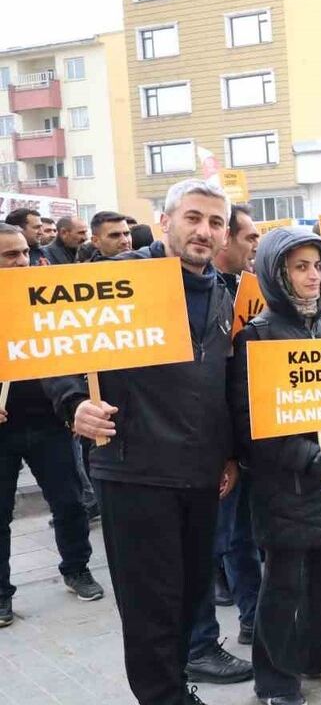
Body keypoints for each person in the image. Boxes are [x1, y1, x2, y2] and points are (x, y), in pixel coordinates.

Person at [43, 179, 239, 705]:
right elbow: (53, 347)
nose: (204, 231)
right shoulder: (118, 277)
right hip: (134, 470)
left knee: (191, 597)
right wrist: (72, 403)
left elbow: (217, 382)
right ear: (164, 220)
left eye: (215, 222)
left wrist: (227, 454)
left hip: (200, 473)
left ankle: (175, 687)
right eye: (194, 217)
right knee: (150, 606)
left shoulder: (222, 289)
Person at [229, 227, 321, 704]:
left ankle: (318, 651)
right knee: (284, 583)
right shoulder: (259, 335)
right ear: (277, 273)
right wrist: (304, 457)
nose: (313, 276)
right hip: (289, 483)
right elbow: (249, 420)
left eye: (317, 266)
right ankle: (275, 678)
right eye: (300, 267)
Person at [0, 224, 103, 631]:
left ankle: (76, 568)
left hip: (50, 424)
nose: (22, 261)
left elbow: (70, 353)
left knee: (70, 502)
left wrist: (76, 402)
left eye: (25, 253)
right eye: (10, 256)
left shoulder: (45, 302)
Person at [184, 204, 261, 685]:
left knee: (245, 536)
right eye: (248, 236)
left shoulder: (241, 288)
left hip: (241, 432)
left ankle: (253, 617)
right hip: (203, 439)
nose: (254, 244)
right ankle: (200, 645)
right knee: (223, 539)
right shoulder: (192, 291)